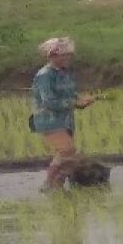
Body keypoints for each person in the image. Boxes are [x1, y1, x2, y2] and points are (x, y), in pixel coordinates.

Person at [31, 37, 97, 192]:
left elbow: (72, 95)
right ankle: (47, 184)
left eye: (68, 55)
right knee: (66, 150)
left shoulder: (65, 73)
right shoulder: (44, 76)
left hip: (65, 120)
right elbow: (48, 102)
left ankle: (57, 188)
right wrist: (74, 103)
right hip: (48, 120)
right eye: (63, 55)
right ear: (52, 56)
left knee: (70, 157)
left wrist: (82, 100)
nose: (67, 58)